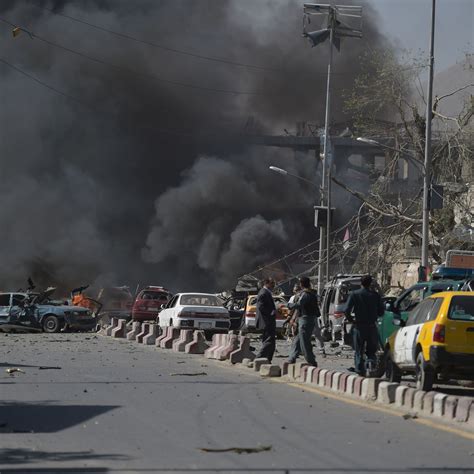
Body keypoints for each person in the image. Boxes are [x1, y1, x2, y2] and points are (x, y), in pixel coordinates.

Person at [344, 275, 384, 376]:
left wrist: (351, 320)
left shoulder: (354, 294)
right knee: (371, 350)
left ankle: (359, 369)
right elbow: (381, 311)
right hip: (371, 326)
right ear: (370, 283)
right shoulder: (375, 295)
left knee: (358, 350)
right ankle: (371, 364)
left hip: (359, 326)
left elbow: (346, 310)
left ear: (361, 283)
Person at [287, 276, 319, 367]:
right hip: (305, 319)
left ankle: (311, 360)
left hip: (305, 319)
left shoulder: (306, 294)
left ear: (301, 284)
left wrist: (290, 305)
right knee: (297, 340)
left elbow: (299, 304)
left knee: (304, 341)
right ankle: (291, 358)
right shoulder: (311, 293)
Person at [255, 277, 277, 362]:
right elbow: (261, 307)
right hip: (266, 321)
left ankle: (267, 360)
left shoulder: (267, 292)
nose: (273, 285)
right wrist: (271, 312)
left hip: (269, 321)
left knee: (271, 342)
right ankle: (258, 359)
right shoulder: (263, 293)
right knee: (269, 341)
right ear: (266, 283)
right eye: (272, 283)